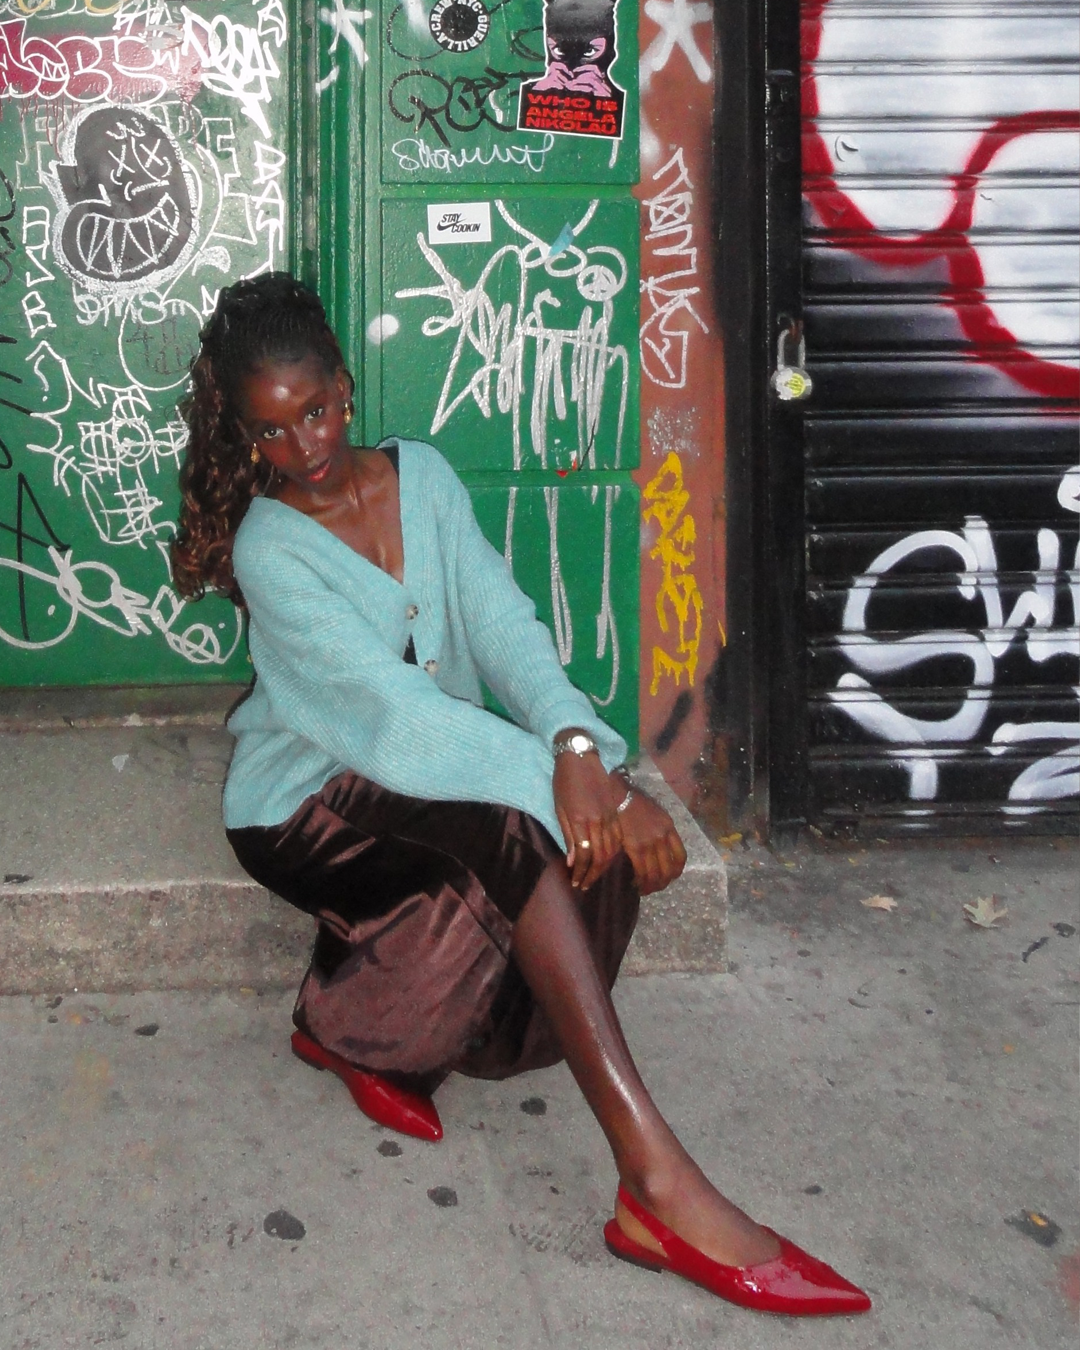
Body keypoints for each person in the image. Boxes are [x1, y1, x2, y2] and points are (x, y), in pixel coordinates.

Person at [171, 272, 871, 1317]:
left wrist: (579, 745)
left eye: (314, 412)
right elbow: (395, 722)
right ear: (244, 432)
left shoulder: (424, 478)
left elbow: (502, 625)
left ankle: (349, 1020)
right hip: (307, 798)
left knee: (560, 845)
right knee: (518, 835)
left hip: (417, 766)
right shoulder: (270, 547)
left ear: (345, 388)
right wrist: (589, 791)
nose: (302, 447)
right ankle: (657, 1184)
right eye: (269, 431)